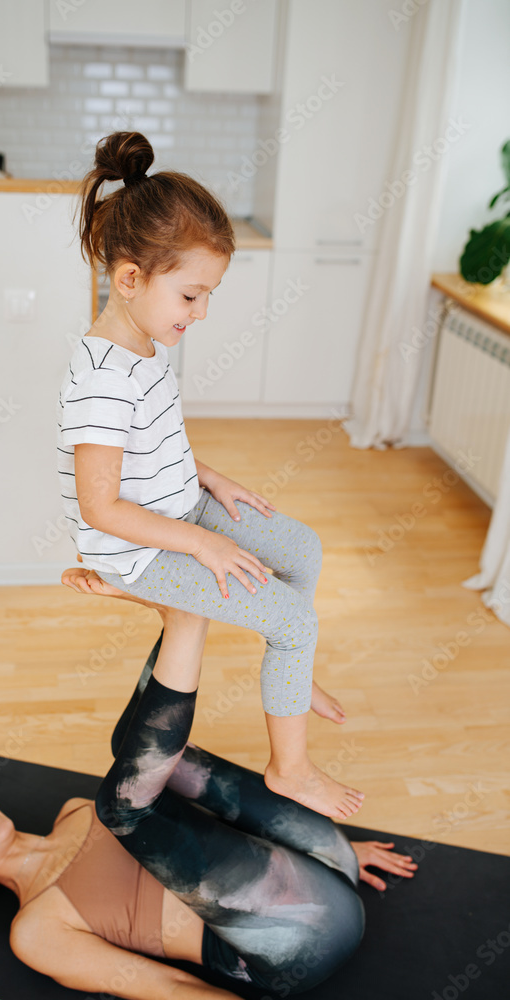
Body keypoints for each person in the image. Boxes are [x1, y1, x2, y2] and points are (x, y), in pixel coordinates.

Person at [0, 592, 416, 999]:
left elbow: (217, 822)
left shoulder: (72, 813)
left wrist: (329, 849)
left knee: (126, 762)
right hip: (297, 942)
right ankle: (187, 616)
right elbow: (167, 988)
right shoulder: (34, 930)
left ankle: (183, 605)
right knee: (122, 802)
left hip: (316, 864)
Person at [58, 130, 362, 819]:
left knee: (302, 549)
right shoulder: (101, 378)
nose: (201, 313)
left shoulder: (144, 345)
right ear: (130, 277)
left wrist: (211, 479)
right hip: (139, 548)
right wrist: (203, 542)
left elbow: (155, 443)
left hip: (179, 510)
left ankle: (292, 669)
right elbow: (100, 507)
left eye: (206, 295)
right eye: (191, 295)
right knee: (288, 618)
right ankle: (290, 767)